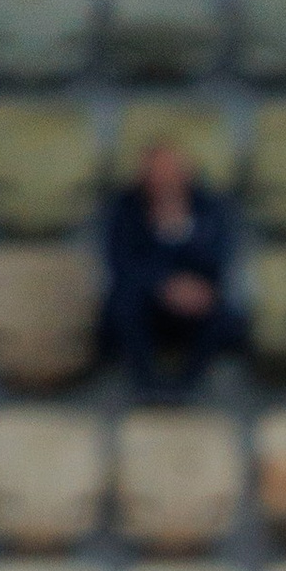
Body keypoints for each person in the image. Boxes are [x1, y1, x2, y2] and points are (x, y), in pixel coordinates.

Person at [99, 137, 239, 394]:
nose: (164, 179)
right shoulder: (125, 208)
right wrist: (163, 285)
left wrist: (179, 228)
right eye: (157, 172)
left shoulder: (211, 208)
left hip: (193, 302)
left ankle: (186, 387)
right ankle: (147, 386)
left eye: (171, 171)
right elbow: (121, 264)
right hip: (146, 301)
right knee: (123, 305)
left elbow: (218, 261)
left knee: (221, 310)